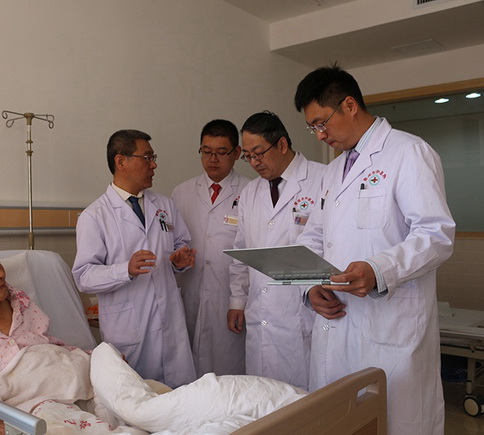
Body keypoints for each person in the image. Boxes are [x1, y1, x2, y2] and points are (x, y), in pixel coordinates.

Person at [293, 65, 455, 434]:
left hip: (391, 327)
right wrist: (310, 287)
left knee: (394, 422)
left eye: (322, 123)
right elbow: (314, 237)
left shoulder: (408, 152)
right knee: (340, 421)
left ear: (349, 105)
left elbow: (437, 233)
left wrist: (380, 269)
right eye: (313, 128)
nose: (320, 135)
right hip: (337, 322)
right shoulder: (332, 172)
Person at [72, 129, 196, 388]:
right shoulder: (94, 216)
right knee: (138, 398)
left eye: (153, 157)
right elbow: (84, 276)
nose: (154, 165)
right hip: (129, 329)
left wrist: (179, 260)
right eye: (147, 157)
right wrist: (125, 270)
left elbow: (180, 244)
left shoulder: (164, 205)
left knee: (180, 398)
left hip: (170, 321)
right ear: (121, 161)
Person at [227, 111, 325, 391]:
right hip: (260, 314)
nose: (254, 163)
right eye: (248, 156)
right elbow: (241, 251)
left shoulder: (322, 179)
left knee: (306, 399)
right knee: (264, 397)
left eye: (259, 153)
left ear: (282, 144)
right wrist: (237, 301)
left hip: (304, 313)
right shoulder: (250, 193)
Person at [172, 119, 250, 377]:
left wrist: (238, 301)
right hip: (190, 292)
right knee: (189, 370)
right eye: (206, 151)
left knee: (229, 369)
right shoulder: (181, 193)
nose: (212, 159)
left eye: (220, 152)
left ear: (236, 153)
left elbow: (248, 252)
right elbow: (173, 244)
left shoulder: (250, 191)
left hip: (230, 295)